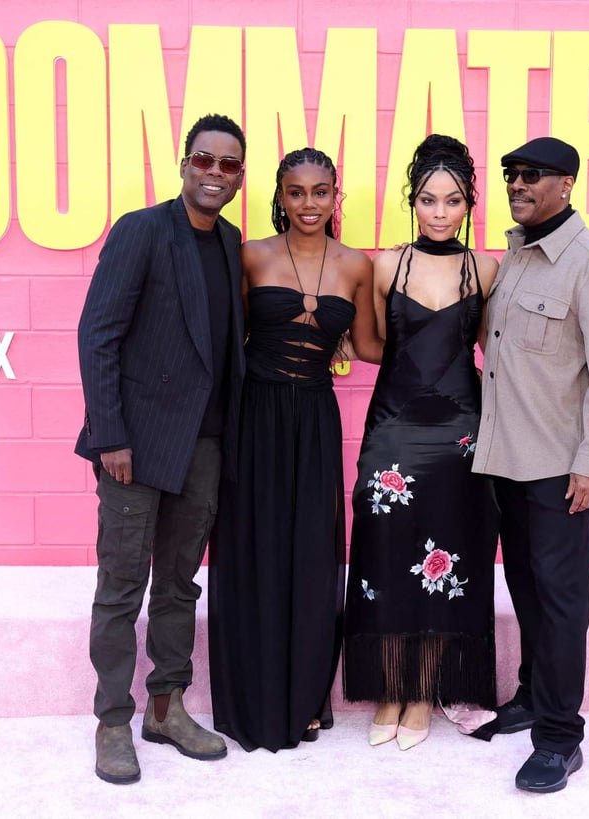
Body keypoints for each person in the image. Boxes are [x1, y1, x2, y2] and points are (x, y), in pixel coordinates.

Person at [75, 114, 247, 784]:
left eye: (228, 165)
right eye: (204, 159)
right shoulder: (142, 230)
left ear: (238, 177)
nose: (214, 173)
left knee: (179, 583)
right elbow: (99, 335)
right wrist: (110, 433)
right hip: (136, 445)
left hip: (202, 445)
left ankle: (167, 706)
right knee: (122, 585)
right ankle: (112, 719)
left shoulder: (231, 242)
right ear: (184, 162)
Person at [469, 137, 589, 793]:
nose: (518, 183)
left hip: (560, 471)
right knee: (530, 593)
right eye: (511, 174)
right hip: (506, 462)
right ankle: (534, 694)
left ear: (567, 183)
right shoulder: (514, 255)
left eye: (532, 175)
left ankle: (561, 737)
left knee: (563, 604)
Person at [208, 147, 382, 752]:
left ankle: (306, 695)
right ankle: (252, 696)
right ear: (280, 197)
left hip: (314, 419)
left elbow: (369, 347)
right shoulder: (248, 255)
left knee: (310, 555)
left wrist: (448, 320)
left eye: (320, 191)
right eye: (296, 192)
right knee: (254, 550)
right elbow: (221, 338)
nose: (309, 203)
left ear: (337, 195)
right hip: (254, 418)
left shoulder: (358, 266)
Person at [342, 134, 500, 750]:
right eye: (429, 200)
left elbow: (487, 349)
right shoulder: (387, 265)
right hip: (394, 430)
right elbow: (374, 346)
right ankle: (391, 687)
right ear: (413, 202)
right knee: (385, 556)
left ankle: (427, 689)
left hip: (462, 434)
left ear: (468, 205)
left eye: (452, 201)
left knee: (450, 558)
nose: (439, 212)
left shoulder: (485, 268)